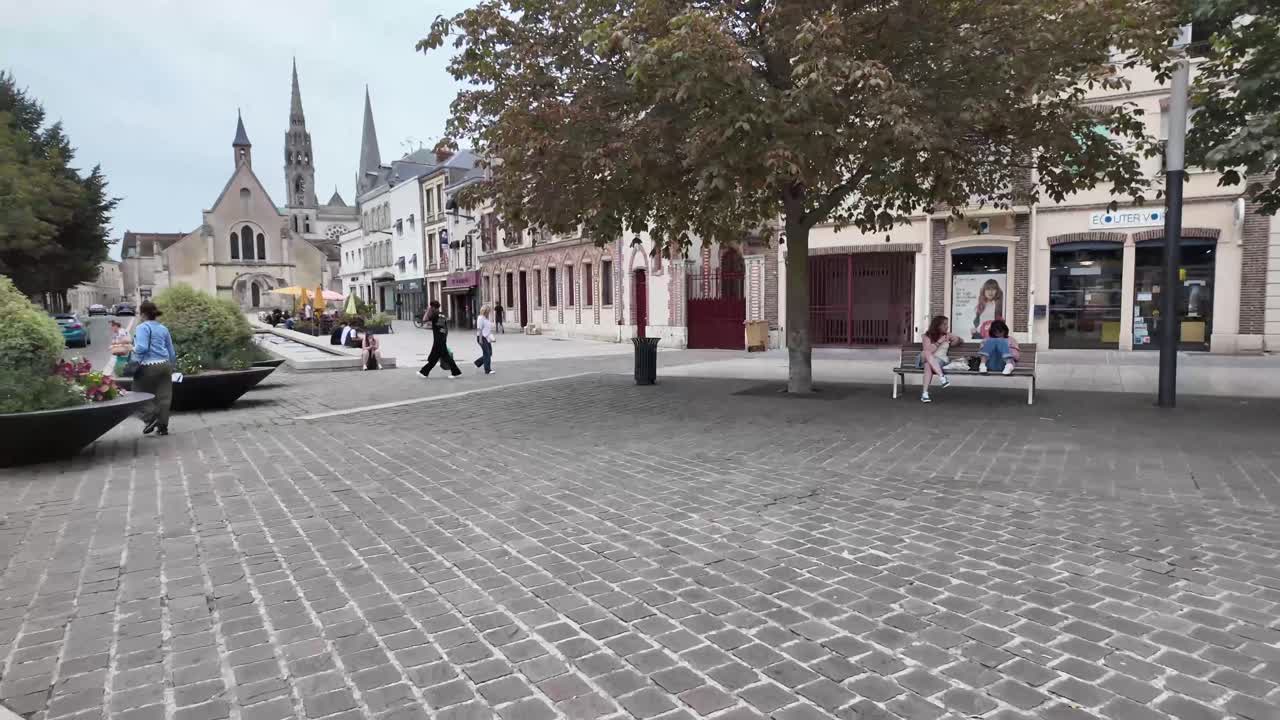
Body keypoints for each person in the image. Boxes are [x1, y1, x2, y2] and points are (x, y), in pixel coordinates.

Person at [130, 301, 177, 435]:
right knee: (164, 396)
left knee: (136, 394)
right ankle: (163, 427)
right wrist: (172, 365)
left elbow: (142, 348)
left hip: (148, 366)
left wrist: (130, 348)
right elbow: (171, 350)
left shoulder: (142, 327)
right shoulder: (163, 328)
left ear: (143, 314)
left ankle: (151, 418)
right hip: (165, 365)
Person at [920, 315, 963, 403]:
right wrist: (939, 341)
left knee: (928, 364)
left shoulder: (947, 335)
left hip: (940, 361)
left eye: (947, 324)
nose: (947, 326)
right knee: (927, 353)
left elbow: (959, 341)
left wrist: (956, 338)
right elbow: (928, 350)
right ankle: (942, 376)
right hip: (924, 358)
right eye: (944, 324)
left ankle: (924, 394)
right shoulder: (926, 336)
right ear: (937, 325)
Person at [418, 300, 462, 378]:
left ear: (433, 307)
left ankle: (456, 372)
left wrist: (428, 311)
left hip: (438, 340)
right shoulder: (442, 315)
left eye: (431, 307)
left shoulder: (434, 315)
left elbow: (424, 320)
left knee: (446, 357)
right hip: (441, 339)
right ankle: (424, 372)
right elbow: (445, 328)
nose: (430, 308)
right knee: (434, 358)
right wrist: (445, 338)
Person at [474, 304, 496, 375]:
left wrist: (492, 337)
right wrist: (480, 339)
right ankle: (488, 370)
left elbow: (488, 330)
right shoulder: (480, 318)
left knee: (490, 353)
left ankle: (478, 362)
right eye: (488, 311)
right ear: (485, 311)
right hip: (482, 337)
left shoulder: (486, 319)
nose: (489, 312)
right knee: (486, 353)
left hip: (487, 337)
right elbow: (479, 329)